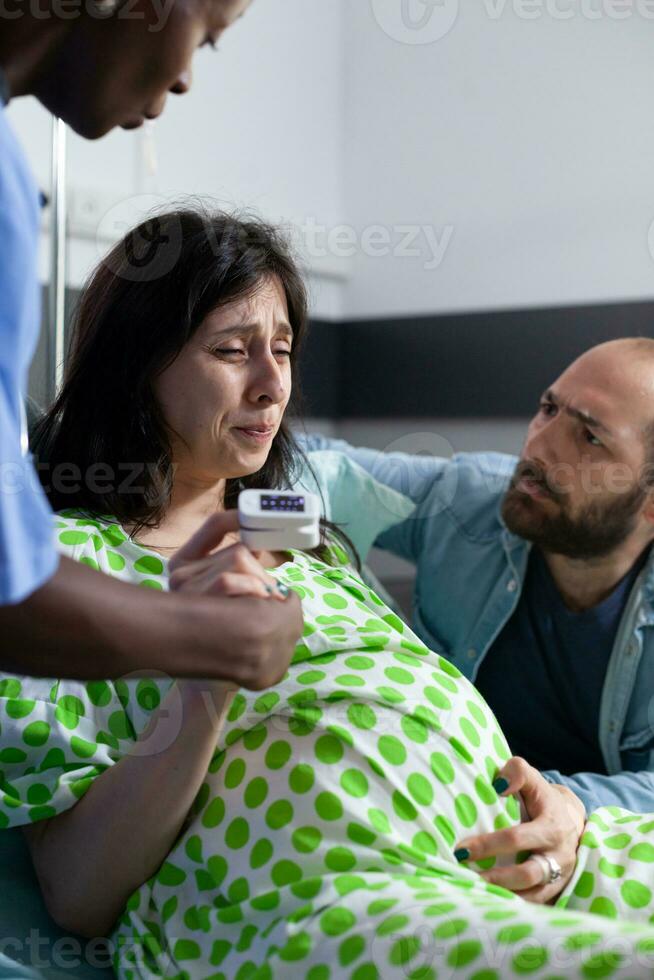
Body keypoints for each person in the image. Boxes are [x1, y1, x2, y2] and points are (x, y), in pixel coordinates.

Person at [4, 209, 654, 980]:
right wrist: (208, 674)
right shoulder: (54, 573)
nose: (274, 384)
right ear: (136, 363)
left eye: (282, 350)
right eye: (231, 351)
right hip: (327, 890)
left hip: (525, 845)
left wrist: (564, 812)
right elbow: (77, 891)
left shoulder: (304, 543)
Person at [0, 0, 303, 686]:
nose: (187, 78)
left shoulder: (314, 545)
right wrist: (211, 640)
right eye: (206, 36)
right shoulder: (87, 552)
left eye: (283, 351)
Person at [302, 337, 654, 890]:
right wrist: (260, 516)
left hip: (570, 857)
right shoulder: (470, 501)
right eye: (548, 408)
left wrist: (567, 804)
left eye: (588, 436)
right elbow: (315, 469)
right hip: (419, 809)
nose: (540, 445)